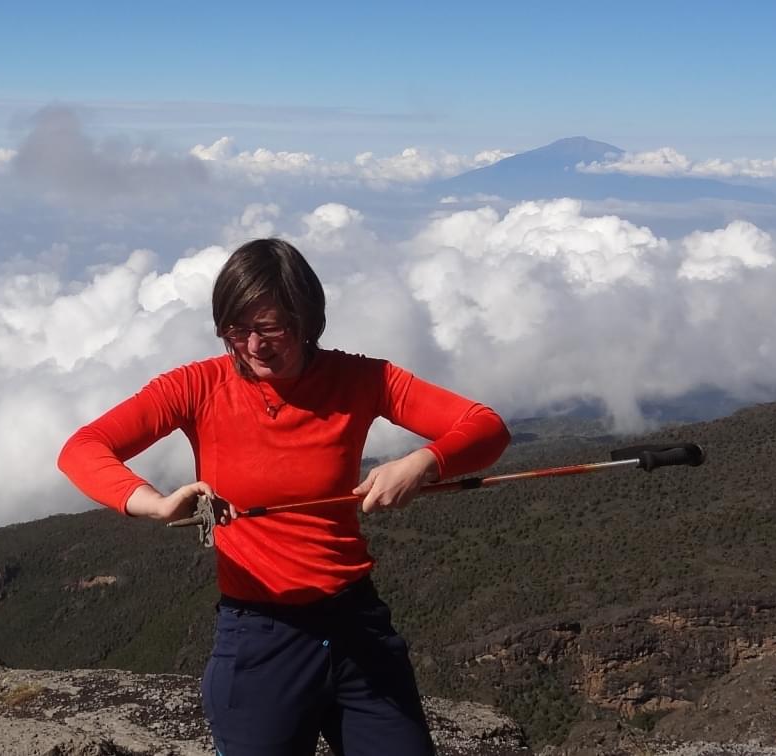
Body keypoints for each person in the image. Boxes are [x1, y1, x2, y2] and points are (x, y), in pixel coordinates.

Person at [57, 238, 510, 756]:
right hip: (259, 636)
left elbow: (486, 427)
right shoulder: (196, 386)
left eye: (271, 328)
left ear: (307, 319)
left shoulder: (362, 379)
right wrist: (154, 503)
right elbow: (82, 450)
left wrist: (423, 462)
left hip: (357, 624)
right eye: (236, 330)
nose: (253, 346)